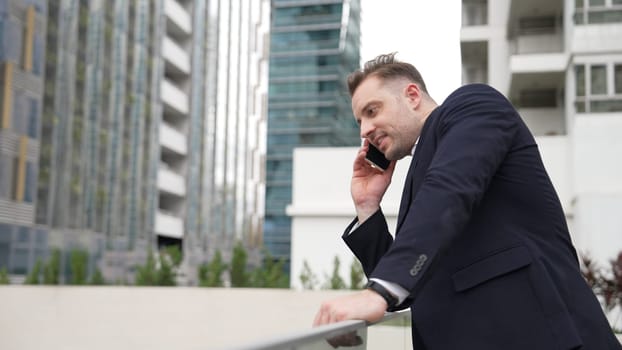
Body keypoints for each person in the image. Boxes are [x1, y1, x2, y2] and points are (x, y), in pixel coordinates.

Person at [312, 53, 622, 349]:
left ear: (412, 96)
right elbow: (409, 285)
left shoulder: (473, 104)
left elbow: (451, 189)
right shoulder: (423, 172)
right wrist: (367, 207)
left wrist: (380, 290)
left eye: (372, 111)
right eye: (359, 122)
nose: (365, 130)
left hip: (539, 338)